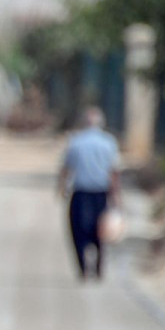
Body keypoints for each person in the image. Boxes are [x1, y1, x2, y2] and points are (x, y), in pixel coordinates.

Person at [57, 106, 122, 279]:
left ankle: (83, 268)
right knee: (101, 231)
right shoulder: (109, 142)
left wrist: (61, 188)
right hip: (101, 193)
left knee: (77, 230)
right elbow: (114, 172)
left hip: (80, 193)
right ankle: (99, 266)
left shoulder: (75, 142)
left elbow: (66, 169)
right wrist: (116, 196)